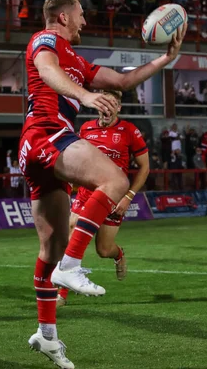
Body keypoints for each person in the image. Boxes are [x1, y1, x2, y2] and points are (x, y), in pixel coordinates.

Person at [20, 0, 185, 368]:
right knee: (115, 181)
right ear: (63, 17)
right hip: (48, 133)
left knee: (50, 250)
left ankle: (47, 336)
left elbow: (122, 82)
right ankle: (73, 266)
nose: (84, 21)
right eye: (80, 15)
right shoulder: (46, 41)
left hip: (37, 149)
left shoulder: (77, 58)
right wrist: (86, 97)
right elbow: (46, 72)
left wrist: (165, 58)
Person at [57, 90, 149, 306]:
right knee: (71, 234)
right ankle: (62, 292)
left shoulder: (129, 130)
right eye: (103, 103)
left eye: (112, 104)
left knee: (103, 250)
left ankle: (118, 255)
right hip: (87, 193)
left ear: (119, 108)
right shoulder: (86, 128)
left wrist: (128, 196)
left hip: (113, 196)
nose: (107, 108)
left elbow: (144, 167)